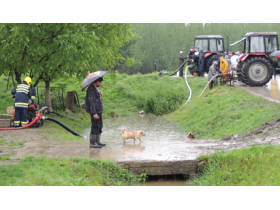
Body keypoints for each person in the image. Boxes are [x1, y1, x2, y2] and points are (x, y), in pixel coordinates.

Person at [84, 77, 106, 148]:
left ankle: (97, 141)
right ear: (96, 82)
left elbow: (96, 98)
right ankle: (92, 143)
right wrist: (94, 113)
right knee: (95, 126)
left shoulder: (95, 88)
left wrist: (100, 95)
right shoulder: (91, 89)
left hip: (99, 110)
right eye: (100, 82)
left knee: (99, 126)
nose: (101, 84)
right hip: (95, 111)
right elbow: (91, 102)